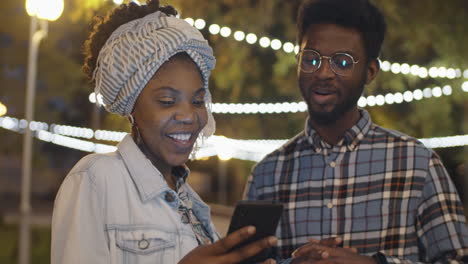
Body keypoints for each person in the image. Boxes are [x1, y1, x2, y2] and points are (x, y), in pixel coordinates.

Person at [51, 1, 277, 263]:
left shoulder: (191, 202)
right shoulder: (96, 179)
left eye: (197, 101)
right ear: (131, 106)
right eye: (167, 101)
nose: (189, 116)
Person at [243, 0, 468, 263]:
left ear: (370, 71)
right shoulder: (266, 175)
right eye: (311, 59)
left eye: (342, 62)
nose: (323, 73)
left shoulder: (417, 164)